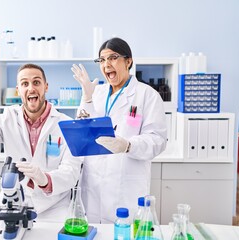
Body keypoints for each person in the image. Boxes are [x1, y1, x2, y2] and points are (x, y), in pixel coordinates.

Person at [0, 60, 83, 222]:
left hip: (54, 206)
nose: (31, 88)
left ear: (46, 86)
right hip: (13, 200)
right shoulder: (7, 119)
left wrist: (45, 179)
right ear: (18, 90)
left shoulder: (65, 124)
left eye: (36, 82)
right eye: (25, 83)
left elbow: (71, 172)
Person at [71, 37, 167, 223]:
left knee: (123, 231)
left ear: (128, 61)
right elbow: (83, 129)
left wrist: (128, 145)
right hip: (94, 183)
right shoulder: (96, 93)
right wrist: (87, 99)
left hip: (126, 187)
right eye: (102, 60)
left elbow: (158, 140)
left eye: (113, 58)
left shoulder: (147, 95)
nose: (106, 64)